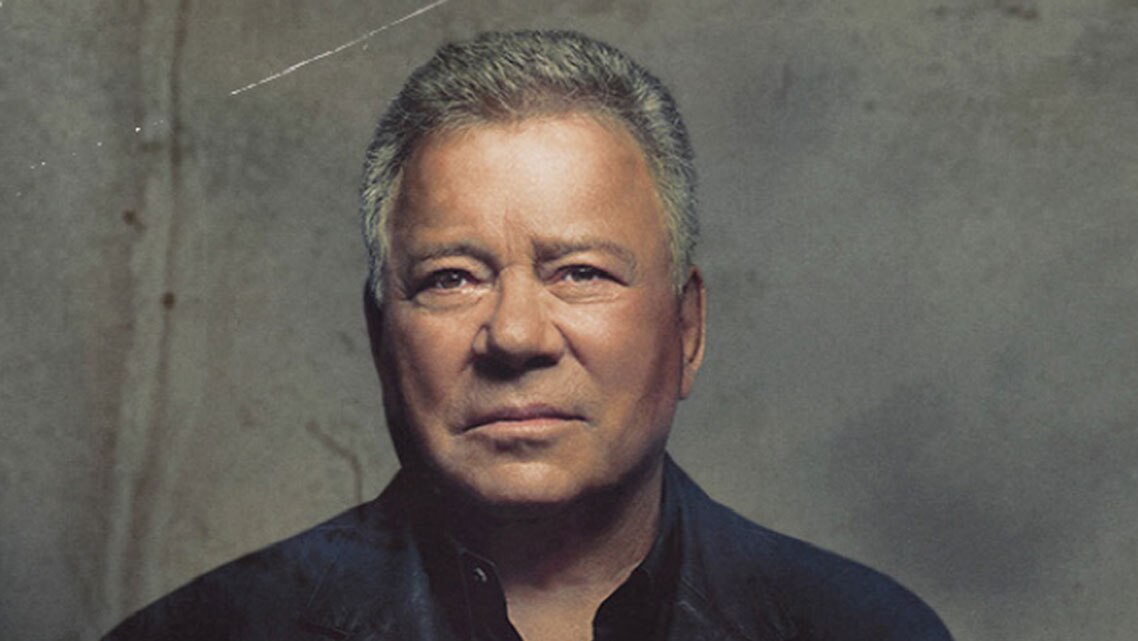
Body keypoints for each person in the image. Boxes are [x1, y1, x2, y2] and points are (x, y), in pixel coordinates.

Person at [103, 30, 953, 641]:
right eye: (451, 278)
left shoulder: (867, 628)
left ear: (687, 328)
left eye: (579, 271)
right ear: (380, 335)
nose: (514, 334)